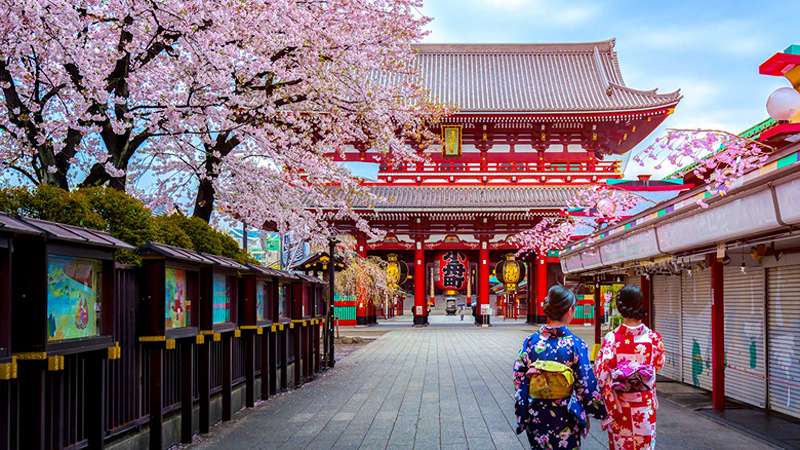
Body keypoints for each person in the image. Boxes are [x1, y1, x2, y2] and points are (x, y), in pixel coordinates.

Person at [513, 285, 606, 449]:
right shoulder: (575, 344)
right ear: (570, 310)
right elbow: (585, 383)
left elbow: (518, 376)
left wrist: (532, 389)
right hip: (566, 413)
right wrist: (598, 411)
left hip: (537, 412)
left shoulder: (530, 342)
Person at [594, 285, 665, 450]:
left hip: (620, 407)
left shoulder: (611, 339)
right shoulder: (654, 338)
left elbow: (601, 376)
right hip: (644, 407)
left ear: (620, 308)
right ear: (641, 304)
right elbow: (658, 366)